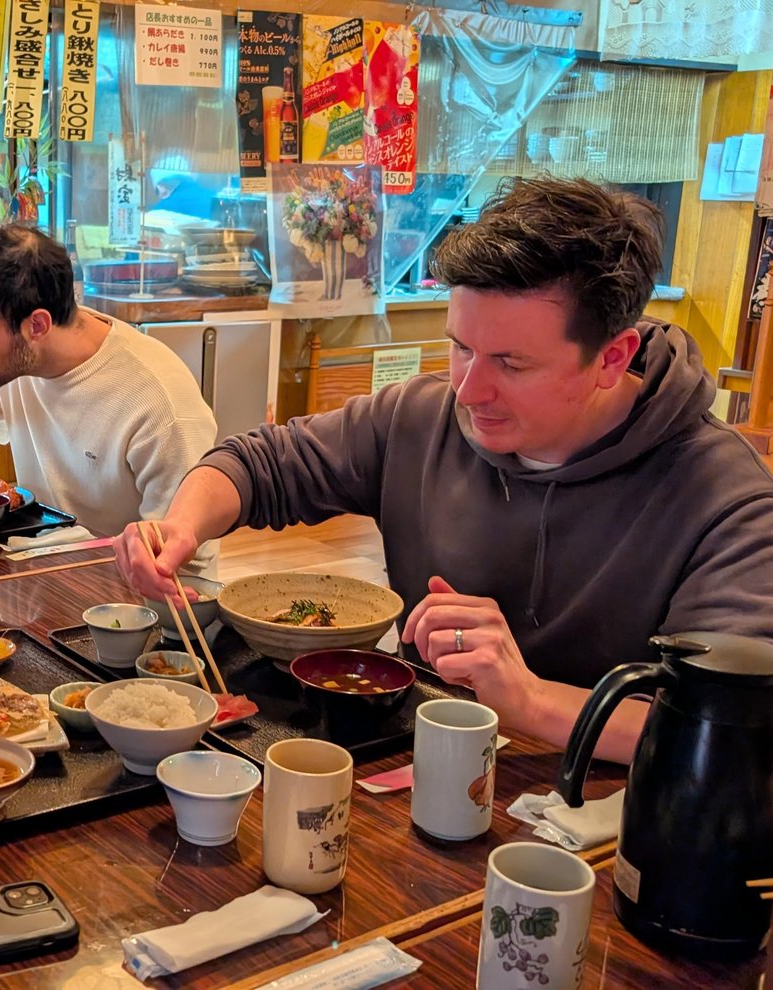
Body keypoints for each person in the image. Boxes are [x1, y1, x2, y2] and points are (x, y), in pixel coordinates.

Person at [115, 177, 773, 764]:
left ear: (612, 356)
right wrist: (180, 527)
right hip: (416, 764)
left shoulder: (726, 500)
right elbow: (259, 463)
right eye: (460, 348)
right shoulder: (421, 417)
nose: (470, 389)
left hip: (606, 829)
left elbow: (730, 733)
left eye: (511, 364)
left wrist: (529, 699)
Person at [0, 223, 221, 572]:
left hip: (131, 603)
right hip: (45, 570)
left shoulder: (157, 402)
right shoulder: (17, 361)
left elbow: (183, 565)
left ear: (37, 326)